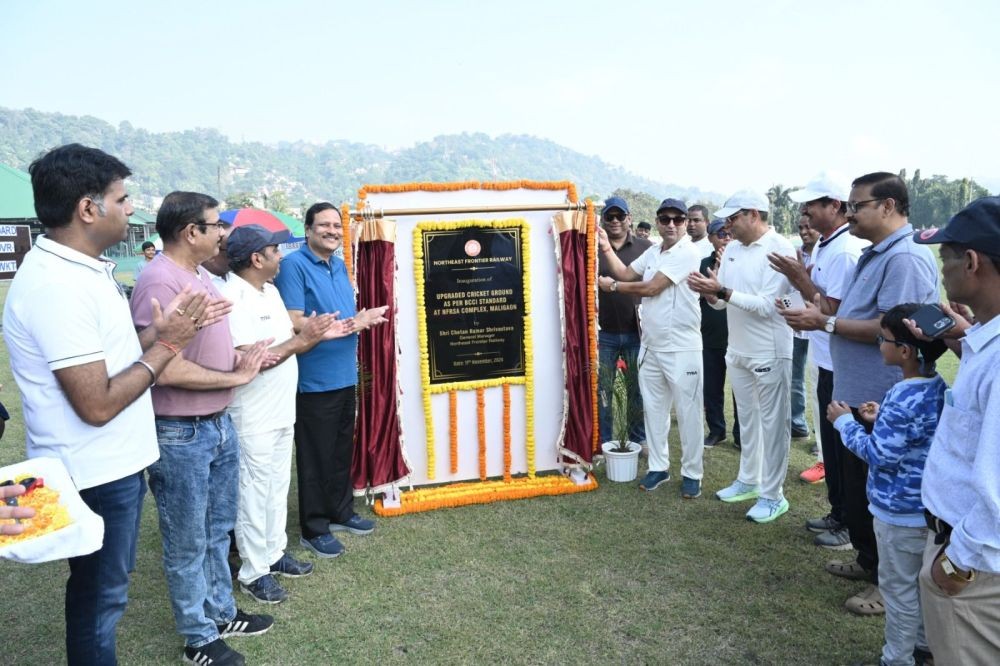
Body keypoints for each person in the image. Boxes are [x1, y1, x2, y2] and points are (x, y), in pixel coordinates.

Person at [3, 144, 212, 664]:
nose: (130, 209)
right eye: (122, 199)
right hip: (94, 469)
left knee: (104, 592)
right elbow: (95, 404)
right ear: (88, 208)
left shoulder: (84, 270)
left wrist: (154, 337)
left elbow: (109, 364)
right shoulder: (57, 286)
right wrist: (168, 347)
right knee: (101, 600)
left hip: (114, 462)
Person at [777, 172, 938, 615]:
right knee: (859, 493)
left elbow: (893, 329)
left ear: (887, 206)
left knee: (885, 499)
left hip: (882, 397)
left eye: (857, 205)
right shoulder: (875, 254)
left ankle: (890, 587)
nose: (849, 214)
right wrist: (819, 306)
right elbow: (849, 310)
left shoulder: (904, 259)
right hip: (858, 393)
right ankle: (870, 564)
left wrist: (823, 322)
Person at [131, 191, 275, 665]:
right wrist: (236, 375)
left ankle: (220, 610)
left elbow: (204, 349)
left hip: (215, 423)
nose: (223, 235)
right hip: (181, 431)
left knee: (216, 529)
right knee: (187, 539)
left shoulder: (195, 276)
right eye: (216, 226)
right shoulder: (159, 282)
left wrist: (242, 358)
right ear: (191, 232)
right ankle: (198, 637)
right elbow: (164, 369)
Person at [219, 224, 351, 604]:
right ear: (256, 258)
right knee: (253, 491)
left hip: (281, 406)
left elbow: (289, 346)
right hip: (252, 412)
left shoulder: (271, 291)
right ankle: (253, 571)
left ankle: (274, 554)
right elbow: (251, 357)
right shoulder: (232, 298)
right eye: (274, 250)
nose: (281, 256)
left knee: (277, 485)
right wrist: (302, 339)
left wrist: (314, 334)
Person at [828, 304, 947, 666]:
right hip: (925, 511)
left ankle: (896, 659)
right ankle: (924, 648)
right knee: (922, 588)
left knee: (897, 591)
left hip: (897, 513)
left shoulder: (900, 396)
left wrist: (845, 423)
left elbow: (881, 456)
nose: (880, 344)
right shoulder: (937, 386)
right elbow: (915, 435)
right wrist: (880, 419)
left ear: (905, 351)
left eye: (884, 338)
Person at [912, 196, 1000, 663]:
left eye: (945, 257)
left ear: (971, 261)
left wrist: (955, 564)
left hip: (976, 568)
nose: (941, 269)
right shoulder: (988, 339)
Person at [274, 202, 388, 558]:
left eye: (337, 226)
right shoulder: (293, 266)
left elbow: (342, 315)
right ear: (307, 230)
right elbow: (293, 320)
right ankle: (314, 526)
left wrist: (359, 318)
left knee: (340, 450)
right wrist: (355, 323)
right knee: (315, 455)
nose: (332, 231)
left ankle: (341, 512)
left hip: (343, 375)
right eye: (323, 225)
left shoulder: (339, 266)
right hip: (313, 380)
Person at [687, 191, 796, 523]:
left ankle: (773, 495)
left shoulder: (780, 248)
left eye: (733, 218)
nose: (728, 225)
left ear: (753, 214)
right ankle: (749, 480)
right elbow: (723, 302)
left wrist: (722, 292)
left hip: (770, 351)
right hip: (738, 350)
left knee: (773, 426)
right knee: (746, 422)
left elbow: (766, 306)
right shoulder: (731, 248)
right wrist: (711, 292)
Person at [773, 175, 869, 551]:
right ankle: (838, 511)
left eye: (812, 203)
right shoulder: (827, 247)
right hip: (827, 359)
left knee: (845, 450)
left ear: (835, 206)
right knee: (830, 445)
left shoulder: (844, 251)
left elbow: (833, 310)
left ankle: (849, 523)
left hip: (841, 363)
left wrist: (798, 277)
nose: (805, 211)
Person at [598, 198, 704, 498]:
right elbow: (626, 272)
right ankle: (658, 467)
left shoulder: (688, 252)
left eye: (678, 219)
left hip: (682, 347)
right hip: (651, 345)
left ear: (685, 223)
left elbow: (651, 287)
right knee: (654, 412)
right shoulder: (654, 250)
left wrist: (614, 288)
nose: (671, 224)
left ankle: (692, 473)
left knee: (688, 413)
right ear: (656, 221)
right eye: (665, 219)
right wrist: (606, 246)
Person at [596, 196, 652, 448]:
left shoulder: (647, 247)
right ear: (603, 219)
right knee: (604, 391)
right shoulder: (592, 246)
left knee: (637, 391)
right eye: (610, 216)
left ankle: (637, 439)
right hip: (603, 333)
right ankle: (605, 440)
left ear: (629, 218)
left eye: (620, 216)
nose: (615, 221)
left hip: (637, 333)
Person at [700, 219, 740, 449]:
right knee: (712, 388)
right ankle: (716, 430)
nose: (726, 238)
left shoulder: (740, 262)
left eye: (729, 234)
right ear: (711, 238)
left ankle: (741, 434)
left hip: (736, 336)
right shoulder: (703, 263)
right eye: (721, 234)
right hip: (711, 335)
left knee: (740, 390)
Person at [790, 216, 821, 441]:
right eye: (800, 227)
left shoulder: (826, 253)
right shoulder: (795, 254)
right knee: (795, 377)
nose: (804, 231)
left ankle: (822, 440)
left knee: (819, 383)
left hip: (821, 327)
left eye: (808, 227)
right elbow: (789, 288)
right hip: (799, 324)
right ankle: (798, 424)